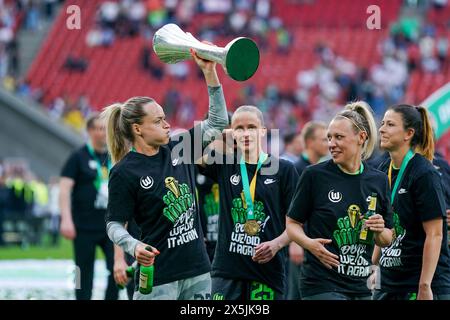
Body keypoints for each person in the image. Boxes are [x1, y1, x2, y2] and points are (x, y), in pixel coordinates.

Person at [103, 48, 229, 300]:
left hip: (198, 270)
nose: (167, 124)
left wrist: (209, 72)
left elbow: (218, 122)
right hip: (159, 277)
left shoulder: (180, 147)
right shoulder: (124, 171)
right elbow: (114, 224)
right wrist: (133, 245)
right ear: (138, 129)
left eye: (165, 118)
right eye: (158, 121)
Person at [286, 101, 393, 300]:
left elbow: (387, 238)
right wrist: (309, 244)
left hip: (361, 286)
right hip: (321, 284)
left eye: (339, 137)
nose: (331, 144)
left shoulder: (378, 180)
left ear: (361, 137)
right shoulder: (314, 175)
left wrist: (379, 229)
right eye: (329, 138)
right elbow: (292, 223)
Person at [199, 105, 298, 300]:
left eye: (252, 127)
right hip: (226, 272)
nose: (246, 133)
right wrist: (220, 137)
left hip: (267, 272)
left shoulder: (284, 169)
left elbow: (297, 223)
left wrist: (277, 244)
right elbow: (186, 154)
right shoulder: (225, 164)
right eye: (239, 128)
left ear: (263, 131)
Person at [373, 104, 450, 300]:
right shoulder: (383, 169)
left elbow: (435, 234)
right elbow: (381, 223)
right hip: (389, 284)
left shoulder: (424, 173)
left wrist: (424, 286)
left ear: (408, 133)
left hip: (421, 284)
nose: (382, 129)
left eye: (390, 124)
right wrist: (373, 265)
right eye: (382, 123)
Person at [59, 113, 118, 300]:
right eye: (99, 128)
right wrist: (66, 219)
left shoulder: (114, 156)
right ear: (90, 131)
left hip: (111, 226)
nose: (103, 133)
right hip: (83, 226)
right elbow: (64, 189)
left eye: (105, 129)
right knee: (81, 271)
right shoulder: (77, 157)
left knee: (117, 267)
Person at [287, 120, 328, 300]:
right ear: (310, 142)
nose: (329, 143)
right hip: (300, 243)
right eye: (324, 139)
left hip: (312, 242)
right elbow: (289, 209)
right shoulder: (298, 169)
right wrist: (295, 243)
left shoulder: (317, 169)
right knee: (297, 294)